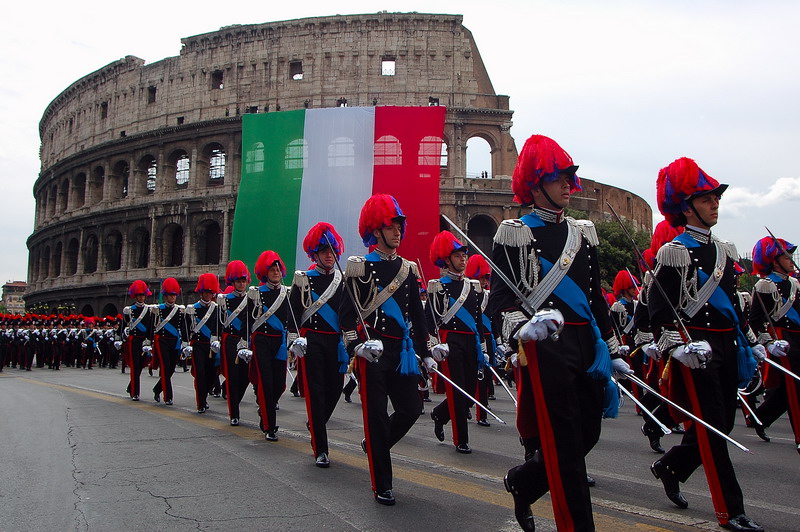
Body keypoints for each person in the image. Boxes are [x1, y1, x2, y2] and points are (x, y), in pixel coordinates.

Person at [489, 134, 628, 532]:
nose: (569, 184)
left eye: (570, 176)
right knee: (566, 447)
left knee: (587, 433)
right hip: (547, 349)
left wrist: (614, 348)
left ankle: (523, 481)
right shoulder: (514, 233)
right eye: (559, 177)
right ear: (536, 184)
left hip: (587, 345)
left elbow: (595, 298)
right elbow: (499, 301)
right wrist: (523, 326)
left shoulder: (583, 233)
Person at [648, 157, 762, 532]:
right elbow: (658, 309)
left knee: (722, 424)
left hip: (726, 346)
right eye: (707, 197)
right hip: (696, 351)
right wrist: (675, 346)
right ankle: (732, 511)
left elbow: (731, 304)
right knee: (713, 430)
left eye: (716, 197)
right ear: (686, 206)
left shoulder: (727, 252)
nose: (715, 203)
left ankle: (672, 466)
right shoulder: (674, 252)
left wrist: (751, 340)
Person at [339, 193, 433, 506]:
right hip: (373, 354)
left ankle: (374, 445)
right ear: (376, 230)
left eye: (400, 226)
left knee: (411, 409)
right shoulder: (359, 268)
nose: (398, 232)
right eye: (392, 226)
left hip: (402, 353)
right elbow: (347, 317)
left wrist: (428, 352)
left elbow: (418, 318)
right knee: (377, 417)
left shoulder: (408, 269)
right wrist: (357, 346)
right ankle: (382, 483)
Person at [289, 223, 348, 467]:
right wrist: (294, 342)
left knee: (335, 390)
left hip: (334, 342)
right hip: (312, 340)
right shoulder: (304, 280)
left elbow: (349, 314)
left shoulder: (342, 280)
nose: (329, 254)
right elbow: (292, 313)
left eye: (332, 250)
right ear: (314, 254)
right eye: (324, 250)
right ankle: (320, 448)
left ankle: (316, 422)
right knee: (316, 393)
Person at [426, 231, 484, 453]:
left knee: (470, 391)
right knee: (457, 390)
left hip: (471, 342)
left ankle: (439, 414)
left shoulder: (473, 287)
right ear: (447, 259)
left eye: (464, 255)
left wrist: (484, 349)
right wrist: (434, 347)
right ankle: (461, 439)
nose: (463, 259)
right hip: (450, 342)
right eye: (458, 256)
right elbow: (430, 320)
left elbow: (478, 321)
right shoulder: (437, 286)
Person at [749, 236, 799, 453]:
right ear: (774, 260)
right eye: (786, 255)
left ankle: (760, 417)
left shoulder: (795, 283)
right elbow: (755, 320)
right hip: (782, 340)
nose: (791, 259)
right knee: (795, 389)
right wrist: (768, 343)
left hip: (798, 337)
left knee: (787, 391)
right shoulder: (766, 285)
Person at [250, 250, 290, 441]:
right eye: (271, 269)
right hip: (262, 340)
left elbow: (291, 320)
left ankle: (265, 409)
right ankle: (269, 426)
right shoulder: (256, 293)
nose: (275, 272)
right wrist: (244, 344)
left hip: (280, 342)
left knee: (279, 384)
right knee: (266, 382)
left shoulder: (287, 293)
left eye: (277, 268)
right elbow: (247, 320)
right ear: (264, 272)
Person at [218, 260, 255, 426]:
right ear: (233, 282)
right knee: (232, 376)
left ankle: (235, 401)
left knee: (247, 376)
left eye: (244, 281)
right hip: (231, 340)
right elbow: (218, 322)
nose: (242, 284)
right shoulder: (224, 300)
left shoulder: (251, 299)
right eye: (239, 281)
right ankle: (234, 412)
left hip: (246, 341)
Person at [466, 254, 497, 427]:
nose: (485, 281)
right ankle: (466, 406)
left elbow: (493, 319)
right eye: (482, 277)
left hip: (487, 338)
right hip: (472, 338)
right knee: (471, 378)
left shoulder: (488, 296)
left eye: (486, 277)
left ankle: (482, 412)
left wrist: (499, 341)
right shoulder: (468, 293)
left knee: (484, 377)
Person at [186, 273, 222, 414]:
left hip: (211, 346)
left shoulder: (217, 308)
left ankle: (205, 395)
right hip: (198, 344)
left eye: (210, 292)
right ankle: (200, 402)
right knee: (200, 373)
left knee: (211, 374)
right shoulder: (192, 309)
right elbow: (186, 328)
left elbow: (219, 326)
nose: (208, 295)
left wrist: (216, 339)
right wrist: (185, 344)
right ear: (201, 293)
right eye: (206, 292)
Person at [121, 280, 154, 401]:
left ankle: (131, 386)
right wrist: (121, 336)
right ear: (135, 296)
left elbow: (150, 327)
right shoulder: (129, 310)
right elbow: (124, 325)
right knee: (135, 366)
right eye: (139, 295)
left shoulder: (149, 310)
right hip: (134, 340)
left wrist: (149, 341)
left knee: (141, 365)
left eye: (143, 295)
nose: (141, 297)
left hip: (144, 341)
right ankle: (135, 392)